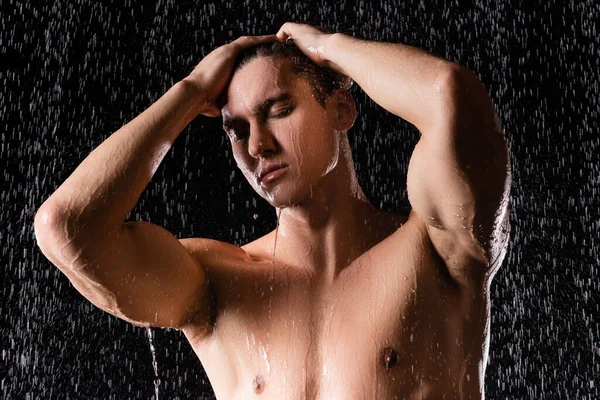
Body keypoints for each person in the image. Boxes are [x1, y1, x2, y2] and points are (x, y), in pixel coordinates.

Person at [34, 22, 511, 399]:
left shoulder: (435, 251)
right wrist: (192, 88)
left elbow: (450, 98)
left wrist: (328, 47)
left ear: (342, 110)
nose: (257, 145)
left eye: (279, 110)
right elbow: (67, 227)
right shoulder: (216, 284)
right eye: (236, 130)